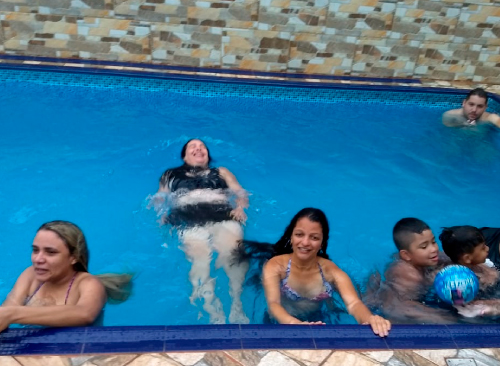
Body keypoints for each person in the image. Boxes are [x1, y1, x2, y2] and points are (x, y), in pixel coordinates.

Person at [155, 138, 249, 324]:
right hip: (189, 221)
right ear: (184, 155)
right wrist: (161, 213)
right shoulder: (170, 174)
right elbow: (160, 196)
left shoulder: (221, 172)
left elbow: (240, 193)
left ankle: (237, 304)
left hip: (223, 217)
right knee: (200, 260)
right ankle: (211, 309)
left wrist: (240, 208)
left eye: (202, 147)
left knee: (234, 255)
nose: (198, 149)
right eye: (193, 147)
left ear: (207, 154)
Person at [258, 208, 390, 335]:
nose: (305, 242)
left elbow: (354, 303)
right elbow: (273, 304)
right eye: (299, 235)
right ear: (291, 237)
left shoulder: (332, 272)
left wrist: (370, 319)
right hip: (281, 320)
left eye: (314, 238)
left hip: (318, 319)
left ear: (322, 243)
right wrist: (295, 324)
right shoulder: (276, 266)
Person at [0, 221, 133, 333]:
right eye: (35, 250)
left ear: (73, 257)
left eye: (50, 252)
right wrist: (8, 314)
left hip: (79, 354)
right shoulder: (31, 276)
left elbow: (84, 314)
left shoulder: (88, 284)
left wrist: (14, 314)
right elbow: (6, 310)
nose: (38, 259)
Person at [364, 217, 458, 324]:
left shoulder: (425, 257)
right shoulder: (409, 275)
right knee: (451, 320)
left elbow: (454, 257)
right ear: (406, 255)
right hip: (391, 307)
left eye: (433, 242)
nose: (434, 249)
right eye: (424, 247)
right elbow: (397, 308)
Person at [439, 226, 500, 317]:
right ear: (467, 258)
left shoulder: (481, 265)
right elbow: (462, 303)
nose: (487, 248)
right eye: (483, 248)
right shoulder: (458, 281)